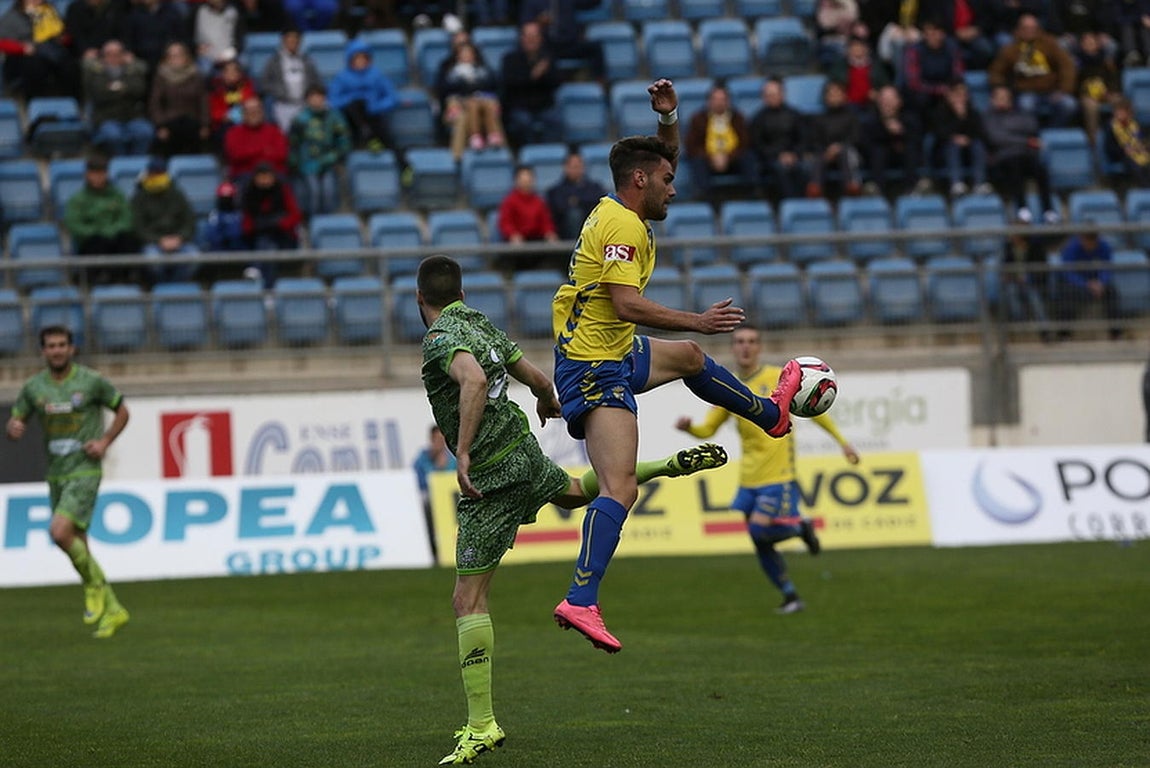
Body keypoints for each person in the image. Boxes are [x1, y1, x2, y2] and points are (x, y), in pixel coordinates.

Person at [416, 254, 728, 765]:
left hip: (491, 476)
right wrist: (546, 397)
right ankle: (662, 466)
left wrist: (465, 451)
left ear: (418, 299)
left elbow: (471, 381)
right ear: (463, 295)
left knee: (467, 601)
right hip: (523, 453)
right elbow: (530, 372)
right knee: (575, 491)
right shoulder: (477, 322)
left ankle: (481, 726)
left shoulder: (439, 340)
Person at [550, 79, 802, 654]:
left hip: (603, 348)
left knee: (689, 360)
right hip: (597, 362)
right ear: (640, 180)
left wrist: (669, 120)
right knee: (619, 487)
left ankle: (770, 415)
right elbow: (625, 303)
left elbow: (661, 165)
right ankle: (581, 599)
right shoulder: (620, 225)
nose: (673, 188)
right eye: (666, 180)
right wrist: (698, 317)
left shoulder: (622, 211)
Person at [675, 327, 859, 614]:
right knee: (758, 541)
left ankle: (801, 527)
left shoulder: (779, 377)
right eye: (739, 342)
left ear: (759, 347)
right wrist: (690, 429)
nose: (745, 347)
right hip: (749, 476)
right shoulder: (730, 386)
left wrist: (843, 443)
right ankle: (790, 596)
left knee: (761, 529)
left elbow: (814, 410)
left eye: (750, 342)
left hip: (778, 473)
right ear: (734, 348)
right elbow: (708, 428)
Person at [6, 325, 131, 639]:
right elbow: (17, 419)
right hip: (57, 474)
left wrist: (104, 442)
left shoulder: (90, 381)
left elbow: (122, 411)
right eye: (51, 345)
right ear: (43, 351)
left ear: (72, 349)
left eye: (62, 344)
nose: (57, 350)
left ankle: (93, 585)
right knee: (79, 544)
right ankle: (113, 608)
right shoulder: (34, 387)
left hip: (84, 471)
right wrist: (13, 427)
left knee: (58, 531)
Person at [982, 85, 1057, 224]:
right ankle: (1023, 210)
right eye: (998, 98)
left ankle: (1049, 211)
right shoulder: (988, 116)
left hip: (1026, 155)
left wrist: (1013, 136)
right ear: (992, 100)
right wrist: (1026, 140)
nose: (1002, 100)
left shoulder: (1021, 112)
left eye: (1005, 97)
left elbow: (1032, 127)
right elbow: (996, 137)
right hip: (1004, 158)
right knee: (1014, 166)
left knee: (1041, 169)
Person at [988, 13, 1078, 127]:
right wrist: (1000, 88)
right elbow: (996, 71)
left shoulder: (1049, 43)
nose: (1030, 31)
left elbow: (1067, 65)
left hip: (1052, 91)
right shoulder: (1010, 49)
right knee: (1026, 105)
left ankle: (1052, 131)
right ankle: (1032, 134)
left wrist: (1064, 89)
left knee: (1069, 104)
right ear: (1019, 29)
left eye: (1033, 28)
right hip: (1026, 91)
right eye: (1026, 28)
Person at [64, 155, 141, 286]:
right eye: (94, 174)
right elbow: (74, 224)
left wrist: (112, 230)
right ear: (87, 175)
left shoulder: (117, 195)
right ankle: (98, 279)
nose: (98, 178)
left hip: (115, 237)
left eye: (101, 174)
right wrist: (97, 231)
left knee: (128, 240)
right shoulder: (78, 199)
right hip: (93, 240)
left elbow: (126, 217)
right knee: (97, 243)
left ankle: (127, 278)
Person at [132, 156, 200, 285]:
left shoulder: (177, 194)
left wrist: (179, 238)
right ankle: (160, 288)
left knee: (194, 257)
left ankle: (176, 286)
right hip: (153, 243)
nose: (157, 177)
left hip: (179, 241)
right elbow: (138, 228)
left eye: (160, 173)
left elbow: (189, 221)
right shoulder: (139, 197)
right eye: (154, 173)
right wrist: (159, 240)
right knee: (152, 259)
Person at [288, 84, 351, 216]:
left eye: (319, 96)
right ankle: (312, 223)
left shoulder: (334, 117)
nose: (316, 100)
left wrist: (336, 156)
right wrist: (295, 161)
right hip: (307, 163)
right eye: (313, 97)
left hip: (329, 161)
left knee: (329, 192)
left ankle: (328, 223)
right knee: (313, 192)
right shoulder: (300, 119)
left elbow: (343, 139)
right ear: (307, 99)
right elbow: (293, 142)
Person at [82, 39, 152, 157]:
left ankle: (137, 163)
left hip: (132, 117)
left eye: (117, 54)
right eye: (109, 54)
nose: (113, 57)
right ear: (103, 56)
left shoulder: (133, 70)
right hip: (106, 118)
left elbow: (139, 90)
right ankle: (120, 162)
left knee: (146, 132)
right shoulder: (96, 72)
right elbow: (99, 93)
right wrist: (124, 89)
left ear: (124, 55)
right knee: (113, 136)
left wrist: (114, 88)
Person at [436, 40, 505, 158]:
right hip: (459, 105)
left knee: (489, 108)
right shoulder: (452, 72)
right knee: (465, 114)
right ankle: (459, 154)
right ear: (458, 56)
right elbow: (446, 89)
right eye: (463, 53)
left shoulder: (484, 70)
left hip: (484, 104)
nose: (466, 56)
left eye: (469, 53)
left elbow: (493, 85)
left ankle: (496, 141)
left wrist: (473, 88)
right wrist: (468, 86)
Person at [684, 83, 754, 198]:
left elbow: (745, 143)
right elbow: (691, 146)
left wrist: (728, 157)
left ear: (728, 101)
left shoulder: (738, 118)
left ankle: (751, 196)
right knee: (697, 162)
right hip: (708, 160)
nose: (719, 102)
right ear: (709, 101)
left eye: (722, 99)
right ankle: (705, 199)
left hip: (732, 160)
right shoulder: (698, 119)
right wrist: (712, 157)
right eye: (715, 99)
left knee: (749, 157)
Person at [327, 39, 398, 152]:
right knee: (355, 106)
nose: (361, 61)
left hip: (374, 117)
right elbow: (333, 101)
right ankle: (368, 138)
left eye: (363, 58)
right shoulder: (341, 77)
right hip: (350, 121)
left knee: (379, 125)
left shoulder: (377, 75)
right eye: (357, 58)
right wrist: (352, 99)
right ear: (351, 60)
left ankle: (402, 162)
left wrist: (376, 106)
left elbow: (392, 97)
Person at [500, 22, 562, 149]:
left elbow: (556, 83)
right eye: (528, 36)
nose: (531, 40)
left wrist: (545, 74)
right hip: (520, 107)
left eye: (534, 36)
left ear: (540, 39)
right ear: (521, 38)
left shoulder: (547, 59)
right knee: (523, 122)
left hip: (544, 106)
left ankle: (550, 155)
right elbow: (510, 84)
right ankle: (527, 155)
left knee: (556, 120)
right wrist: (533, 76)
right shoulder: (510, 59)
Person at [0, 0, 79, 100]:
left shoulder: (50, 12)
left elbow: (66, 34)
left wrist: (63, 39)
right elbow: (2, 43)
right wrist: (22, 48)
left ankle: (70, 104)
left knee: (69, 65)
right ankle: (34, 104)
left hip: (52, 52)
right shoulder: (12, 16)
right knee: (34, 66)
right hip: (23, 57)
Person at [1053, 225, 1122, 339]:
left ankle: (1116, 332)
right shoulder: (1071, 247)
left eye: (1093, 242)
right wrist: (1086, 284)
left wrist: (1101, 282)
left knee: (1112, 292)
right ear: (1081, 239)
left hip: (1097, 283)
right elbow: (1068, 272)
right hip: (1076, 283)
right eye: (1087, 242)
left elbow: (1107, 267)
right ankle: (1064, 334)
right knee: (1066, 295)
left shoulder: (1103, 246)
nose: (1090, 246)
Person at [241, 162, 302, 287]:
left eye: (266, 177)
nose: (264, 181)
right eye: (261, 177)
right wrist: (258, 225)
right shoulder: (249, 194)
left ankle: (257, 270)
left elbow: (295, 215)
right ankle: (268, 287)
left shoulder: (283, 191)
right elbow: (246, 221)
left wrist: (280, 223)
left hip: (284, 236)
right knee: (266, 244)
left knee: (268, 246)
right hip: (259, 237)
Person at [860, 85, 928, 197]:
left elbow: (917, 139)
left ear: (899, 102)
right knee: (879, 150)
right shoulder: (870, 120)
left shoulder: (910, 118)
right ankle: (877, 189)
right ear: (878, 102)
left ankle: (911, 188)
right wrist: (886, 130)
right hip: (878, 159)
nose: (888, 104)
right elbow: (866, 144)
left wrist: (901, 133)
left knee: (910, 148)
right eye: (884, 100)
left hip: (903, 157)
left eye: (891, 100)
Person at [748, 76, 808, 201]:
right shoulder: (758, 119)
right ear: (763, 97)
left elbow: (803, 139)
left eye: (774, 94)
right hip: (769, 159)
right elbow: (757, 145)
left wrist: (793, 155)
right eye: (768, 95)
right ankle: (790, 203)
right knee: (780, 169)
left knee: (805, 168)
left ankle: (804, 203)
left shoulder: (795, 115)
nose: (772, 98)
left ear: (783, 94)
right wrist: (778, 155)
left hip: (795, 156)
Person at [149, 41, 209, 157]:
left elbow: (203, 101)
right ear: (166, 59)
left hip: (193, 121)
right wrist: (160, 125)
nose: (176, 59)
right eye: (172, 56)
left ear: (186, 57)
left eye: (179, 55)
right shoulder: (161, 77)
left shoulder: (196, 75)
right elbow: (155, 103)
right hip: (169, 123)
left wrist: (205, 125)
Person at [932, 79, 991, 196]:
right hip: (945, 151)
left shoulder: (973, 112)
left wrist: (967, 136)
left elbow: (980, 132)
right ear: (949, 95)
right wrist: (955, 133)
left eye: (964, 94)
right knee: (952, 145)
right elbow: (939, 134)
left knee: (978, 145)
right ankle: (956, 183)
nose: (961, 97)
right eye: (957, 94)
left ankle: (979, 183)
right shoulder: (940, 111)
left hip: (969, 149)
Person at [260, 27, 324, 133]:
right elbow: (265, 83)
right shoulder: (273, 61)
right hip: (283, 104)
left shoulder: (307, 60)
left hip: (304, 104)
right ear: (283, 41)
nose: (292, 42)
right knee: (287, 134)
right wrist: (278, 92)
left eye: (295, 40)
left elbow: (316, 81)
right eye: (289, 39)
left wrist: (312, 96)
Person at [496, 164, 559, 271]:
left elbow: (546, 222)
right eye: (523, 179)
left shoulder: (539, 202)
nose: (526, 182)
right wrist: (512, 235)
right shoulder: (509, 201)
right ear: (516, 181)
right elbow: (505, 222)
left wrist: (549, 233)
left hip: (536, 241)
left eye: (529, 179)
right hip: (517, 242)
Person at [807, 80, 863, 197]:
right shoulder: (818, 119)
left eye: (837, 94)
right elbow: (814, 140)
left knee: (846, 153)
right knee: (817, 156)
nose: (834, 97)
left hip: (847, 152)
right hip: (825, 154)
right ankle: (815, 189)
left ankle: (851, 187)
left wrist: (839, 147)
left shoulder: (851, 117)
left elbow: (856, 138)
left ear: (844, 96)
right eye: (831, 94)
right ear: (825, 97)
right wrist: (828, 151)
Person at [1001, 221, 1054, 339]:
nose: (1010, 235)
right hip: (1014, 283)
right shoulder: (1008, 247)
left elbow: (1042, 269)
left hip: (1033, 283)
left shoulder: (1036, 246)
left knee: (1034, 299)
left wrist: (1028, 277)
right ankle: (1020, 321)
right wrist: (1010, 276)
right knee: (1011, 291)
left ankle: (1045, 331)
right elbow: (1005, 267)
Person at [224, 97, 290, 181]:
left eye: (256, 111)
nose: (253, 114)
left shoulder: (275, 131)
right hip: (246, 175)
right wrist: (264, 150)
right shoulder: (233, 133)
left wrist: (250, 153)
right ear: (243, 114)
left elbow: (282, 154)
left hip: (274, 174)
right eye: (249, 111)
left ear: (262, 112)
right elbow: (236, 155)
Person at [545, 150, 607, 241]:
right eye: (573, 167)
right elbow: (558, 207)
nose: (576, 169)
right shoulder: (556, 190)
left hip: (592, 227)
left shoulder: (595, 187)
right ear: (565, 168)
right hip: (564, 233)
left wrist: (577, 201)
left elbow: (600, 202)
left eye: (578, 166)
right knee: (574, 215)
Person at [1105, 96, 1150, 186]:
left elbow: (1143, 139)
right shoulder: (1111, 128)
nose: (1119, 114)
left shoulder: (1135, 124)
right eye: (1117, 111)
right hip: (1122, 156)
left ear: (1129, 113)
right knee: (1138, 168)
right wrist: (1124, 151)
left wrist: (1144, 147)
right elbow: (1109, 148)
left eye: (1122, 112)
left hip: (1140, 153)